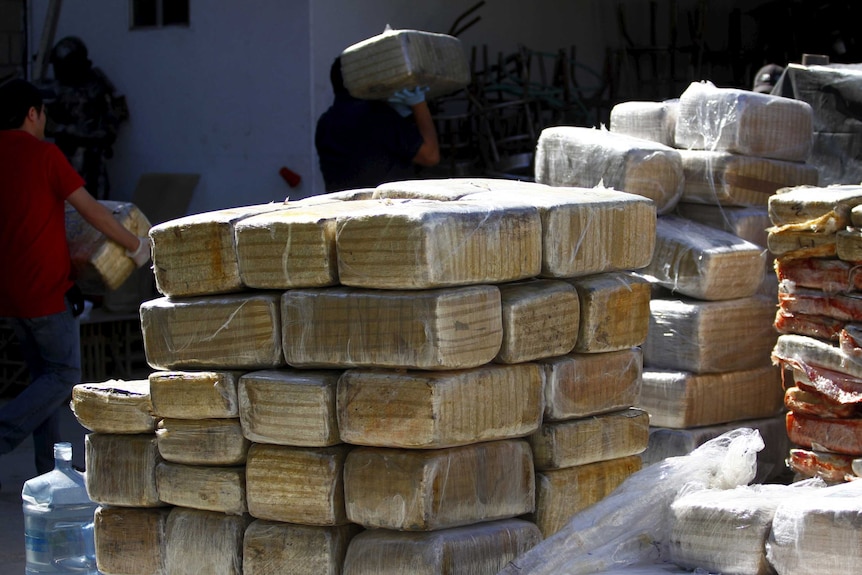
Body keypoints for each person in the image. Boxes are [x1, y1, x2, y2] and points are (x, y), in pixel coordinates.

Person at [0, 78, 149, 475]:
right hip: (43, 291)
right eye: (43, 111)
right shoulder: (45, 156)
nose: (45, 118)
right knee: (63, 376)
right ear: (33, 113)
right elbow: (93, 211)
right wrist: (135, 245)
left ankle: (51, 474)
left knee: (41, 384)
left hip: (10, 295)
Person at [315, 56, 440, 192]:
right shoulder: (376, 114)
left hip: (342, 207)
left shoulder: (325, 122)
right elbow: (430, 156)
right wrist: (419, 104)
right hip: (382, 208)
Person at [44, 36, 129, 200]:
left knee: (97, 201)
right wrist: (61, 129)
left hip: (94, 155)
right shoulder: (53, 88)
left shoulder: (96, 83)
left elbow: (117, 111)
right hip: (65, 156)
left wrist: (103, 133)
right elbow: (43, 123)